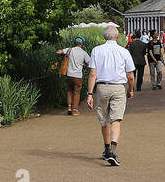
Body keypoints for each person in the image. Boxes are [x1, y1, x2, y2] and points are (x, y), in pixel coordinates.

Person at [86, 24, 135, 166]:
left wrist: (90, 93)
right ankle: (112, 151)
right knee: (116, 120)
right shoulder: (123, 52)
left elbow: (92, 73)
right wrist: (130, 89)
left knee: (104, 119)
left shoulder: (96, 50)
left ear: (104, 37)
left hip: (102, 87)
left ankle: (106, 148)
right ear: (118, 37)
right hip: (118, 87)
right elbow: (130, 75)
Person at [56, 37, 92, 115]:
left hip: (69, 75)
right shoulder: (84, 53)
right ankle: (75, 110)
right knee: (77, 92)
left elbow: (58, 52)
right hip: (78, 76)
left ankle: (69, 108)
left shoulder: (70, 49)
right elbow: (90, 63)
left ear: (75, 43)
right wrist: (83, 64)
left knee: (69, 91)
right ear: (82, 44)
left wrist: (64, 55)